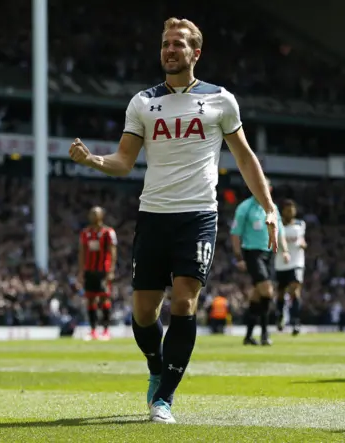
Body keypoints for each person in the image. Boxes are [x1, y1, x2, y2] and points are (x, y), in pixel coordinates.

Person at [69, 17, 278, 424]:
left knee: (184, 302)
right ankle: (155, 363)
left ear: (195, 53)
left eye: (178, 44)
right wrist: (93, 160)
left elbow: (245, 158)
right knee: (144, 314)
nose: (169, 50)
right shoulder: (143, 103)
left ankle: (163, 397)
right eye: (165, 43)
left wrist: (268, 205)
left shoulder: (220, 100)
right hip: (153, 215)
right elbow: (124, 161)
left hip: (198, 215)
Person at [231, 186, 288, 347]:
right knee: (268, 292)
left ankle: (248, 336)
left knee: (257, 296)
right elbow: (235, 232)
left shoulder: (272, 207)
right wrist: (239, 257)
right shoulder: (245, 207)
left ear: (269, 189)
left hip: (269, 254)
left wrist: (285, 251)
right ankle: (265, 333)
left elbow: (280, 231)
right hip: (252, 254)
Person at [78, 206, 117, 341]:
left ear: (102, 216)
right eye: (91, 213)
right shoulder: (85, 233)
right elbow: (82, 252)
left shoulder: (108, 232)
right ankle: (93, 330)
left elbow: (113, 251)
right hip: (89, 270)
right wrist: (81, 271)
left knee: (104, 298)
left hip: (103, 270)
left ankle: (106, 330)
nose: (92, 216)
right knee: (90, 299)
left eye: (95, 213)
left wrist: (111, 270)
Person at [274, 199, 307, 336]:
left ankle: (295, 321)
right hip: (281, 264)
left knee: (295, 289)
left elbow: (303, 240)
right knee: (281, 293)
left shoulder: (300, 224)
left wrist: (303, 244)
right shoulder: (277, 224)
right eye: (288, 210)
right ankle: (281, 316)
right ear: (283, 211)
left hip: (297, 263)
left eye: (292, 210)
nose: (290, 212)